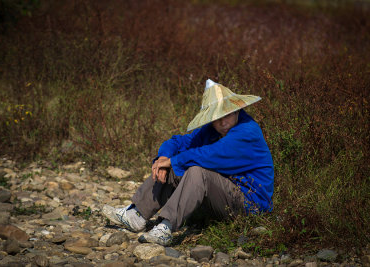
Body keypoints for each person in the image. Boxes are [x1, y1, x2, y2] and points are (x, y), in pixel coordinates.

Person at [102, 79, 274, 246]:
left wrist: (174, 160)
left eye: (227, 115)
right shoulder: (212, 130)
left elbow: (212, 154)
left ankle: (165, 227)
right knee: (171, 167)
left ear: (237, 110)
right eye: (216, 117)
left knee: (196, 171)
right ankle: (136, 215)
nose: (222, 122)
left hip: (250, 204)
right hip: (224, 197)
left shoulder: (247, 132)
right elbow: (178, 142)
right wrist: (163, 158)